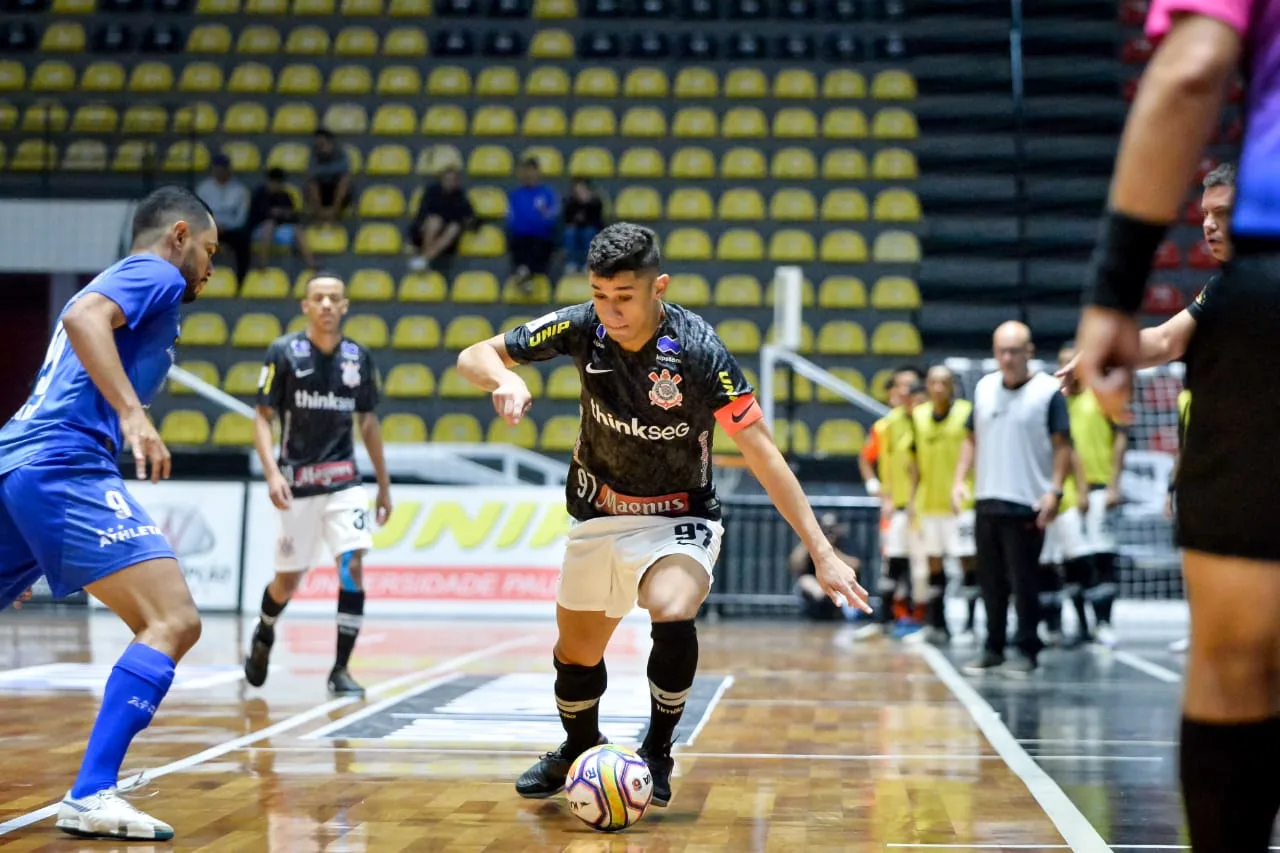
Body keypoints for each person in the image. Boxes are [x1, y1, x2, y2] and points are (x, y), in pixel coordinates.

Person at [456, 222, 869, 809]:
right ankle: (579, 747)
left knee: (672, 606)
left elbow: (763, 452)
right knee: (576, 654)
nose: (610, 311)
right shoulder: (581, 326)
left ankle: (657, 751)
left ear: (659, 287)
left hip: (681, 515)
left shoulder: (700, 351)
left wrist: (822, 553)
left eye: (624, 297)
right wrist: (504, 378)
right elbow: (473, 354)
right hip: (598, 514)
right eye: (600, 295)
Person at [0, 186, 216, 840]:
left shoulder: (124, 283)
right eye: (209, 250)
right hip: (63, 459)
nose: (211, 266)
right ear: (179, 234)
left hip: (18, 460)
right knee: (171, 618)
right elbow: (84, 320)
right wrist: (133, 414)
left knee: (158, 621)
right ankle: (92, 791)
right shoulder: (154, 271)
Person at [1060, 163, 1236, 659]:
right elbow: (1162, 340)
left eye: (1222, 214)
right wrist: (1100, 352)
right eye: (1204, 214)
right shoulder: (1225, 288)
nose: (1207, 225)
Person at [244, 273, 393, 697]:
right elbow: (262, 415)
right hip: (297, 484)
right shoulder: (283, 353)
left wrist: (383, 485)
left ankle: (340, 669)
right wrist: (272, 472)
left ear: (345, 306)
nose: (327, 304)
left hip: (344, 481)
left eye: (334, 298)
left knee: (353, 563)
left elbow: (367, 421)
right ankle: (265, 629)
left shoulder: (358, 358)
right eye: (318, 298)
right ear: (305, 305)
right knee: (286, 582)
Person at [953, 322, 1074, 675]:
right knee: (990, 581)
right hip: (987, 497)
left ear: (1029, 352)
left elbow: (1063, 446)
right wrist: (960, 480)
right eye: (1001, 351)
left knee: (1024, 583)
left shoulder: (1047, 391)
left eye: (1014, 351)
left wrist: (1054, 490)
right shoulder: (984, 387)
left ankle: (1027, 650)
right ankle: (993, 647)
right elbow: (970, 437)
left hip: (1027, 501)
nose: (1007, 358)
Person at [1054, 341, 1127, 647]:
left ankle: (1104, 623)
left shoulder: (1101, 397)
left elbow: (1121, 438)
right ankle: (1082, 625)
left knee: (1102, 557)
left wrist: (1113, 485)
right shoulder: (1057, 403)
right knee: (1074, 563)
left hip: (1099, 490)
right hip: (1068, 496)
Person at [910, 365, 978, 645]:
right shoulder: (918, 416)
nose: (938, 388)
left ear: (953, 386)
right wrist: (914, 498)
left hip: (962, 502)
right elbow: (913, 463)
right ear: (927, 386)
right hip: (929, 503)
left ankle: (972, 627)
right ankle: (937, 625)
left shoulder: (966, 413)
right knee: (933, 566)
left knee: (968, 563)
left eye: (944, 383)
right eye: (934, 382)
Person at [856, 368, 922, 638]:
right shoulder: (886, 425)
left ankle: (924, 621)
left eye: (910, 386)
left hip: (926, 507)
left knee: (923, 569)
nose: (904, 392)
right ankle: (887, 619)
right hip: (896, 508)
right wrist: (877, 489)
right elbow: (865, 458)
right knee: (893, 565)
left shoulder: (925, 421)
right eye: (900, 387)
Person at [788, 512, 861, 621]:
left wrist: (830, 551)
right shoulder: (812, 544)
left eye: (832, 528)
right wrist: (808, 542)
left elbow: (855, 565)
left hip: (842, 591)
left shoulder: (845, 543)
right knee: (805, 580)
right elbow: (794, 565)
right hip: (817, 592)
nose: (829, 532)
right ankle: (824, 599)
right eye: (825, 528)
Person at [506, 157, 559, 292]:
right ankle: (525, 275)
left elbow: (552, 219)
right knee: (518, 244)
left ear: (538, 173)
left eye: (532, 171)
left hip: (542, 237)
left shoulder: (547, 193)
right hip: (521, 237)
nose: (529, 175)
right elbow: (511, 219)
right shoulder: (516, 195)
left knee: (540, 245)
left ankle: (524, 273)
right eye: (526, 171)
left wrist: (544, 214)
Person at [407, 165, 474, 273]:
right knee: (435, 221)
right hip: (425, 232)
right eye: (448, 180)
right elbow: (422, 213)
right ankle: (425, 259)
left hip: (447, 238)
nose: (450, 182)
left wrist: (467, 222)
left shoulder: (460, 196)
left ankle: (424, 259)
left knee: (454, 228)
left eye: (453, 180)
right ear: (442, 180)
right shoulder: (431, 192)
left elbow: (470, 216)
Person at [248, 168, 317, 270]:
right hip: (259, 231)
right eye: (274, 182)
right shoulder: (259, 194)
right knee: (269, 224)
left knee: (297, 229)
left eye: (279, 182)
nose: (276, 185)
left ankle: (311, 262)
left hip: (279, 229)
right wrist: (272, 213)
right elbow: (254, 215)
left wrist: (283, 213)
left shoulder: (285, 196)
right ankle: (262, 262)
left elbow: (294, 217)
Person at [196, 154, 251, 281]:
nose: (220, 171)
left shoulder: (240, 190)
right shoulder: (204, 188)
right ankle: (196, 277)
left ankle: (241, 279)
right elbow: (200, 212)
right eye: (218, 168)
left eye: (223, 168)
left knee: (243, 238)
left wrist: (226, 227)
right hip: (210, 228)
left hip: (231, 229)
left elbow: (241, 216)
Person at [306, 129, 352, 224]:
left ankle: (335, 211)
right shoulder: (314, 156)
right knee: (312, 185)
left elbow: (343, 174)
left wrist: (325, 171)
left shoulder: (341, 154)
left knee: (344, 182)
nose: (319, 148)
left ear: (330, 143)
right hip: (322, 190)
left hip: (336, 189)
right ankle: (319, 212)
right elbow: (313, 176)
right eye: (317, 145)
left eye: (322, 144)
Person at [563, 177, 605, 273]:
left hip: (590, 229)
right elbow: (568, 219)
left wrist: (586, 203)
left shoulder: (595, 203)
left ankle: (589, 263)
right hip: (576, 230)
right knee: (570, 233)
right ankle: (571, 263)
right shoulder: (570, 202)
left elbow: (597, 221)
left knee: (588, 232)